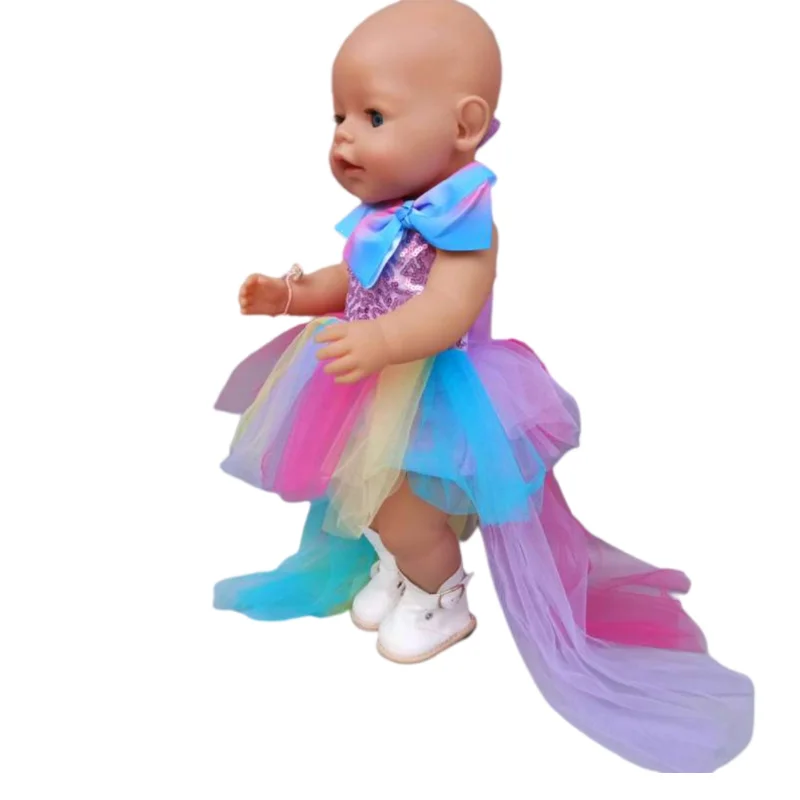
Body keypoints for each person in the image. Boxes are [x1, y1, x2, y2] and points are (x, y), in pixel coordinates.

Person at [213, 0, 754, 773]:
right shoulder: (380, 215)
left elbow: (447, 308)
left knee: (405, 502)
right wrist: (292, 294)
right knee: (357, 490)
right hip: (366, 377)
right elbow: (352, 277)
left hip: (435, 386)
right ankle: (399, 570)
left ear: (465, 126)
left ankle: (440, 594)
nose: (345, 137)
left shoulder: (464, 224)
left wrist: (381, 340)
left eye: (372, 115)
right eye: (339, 116)